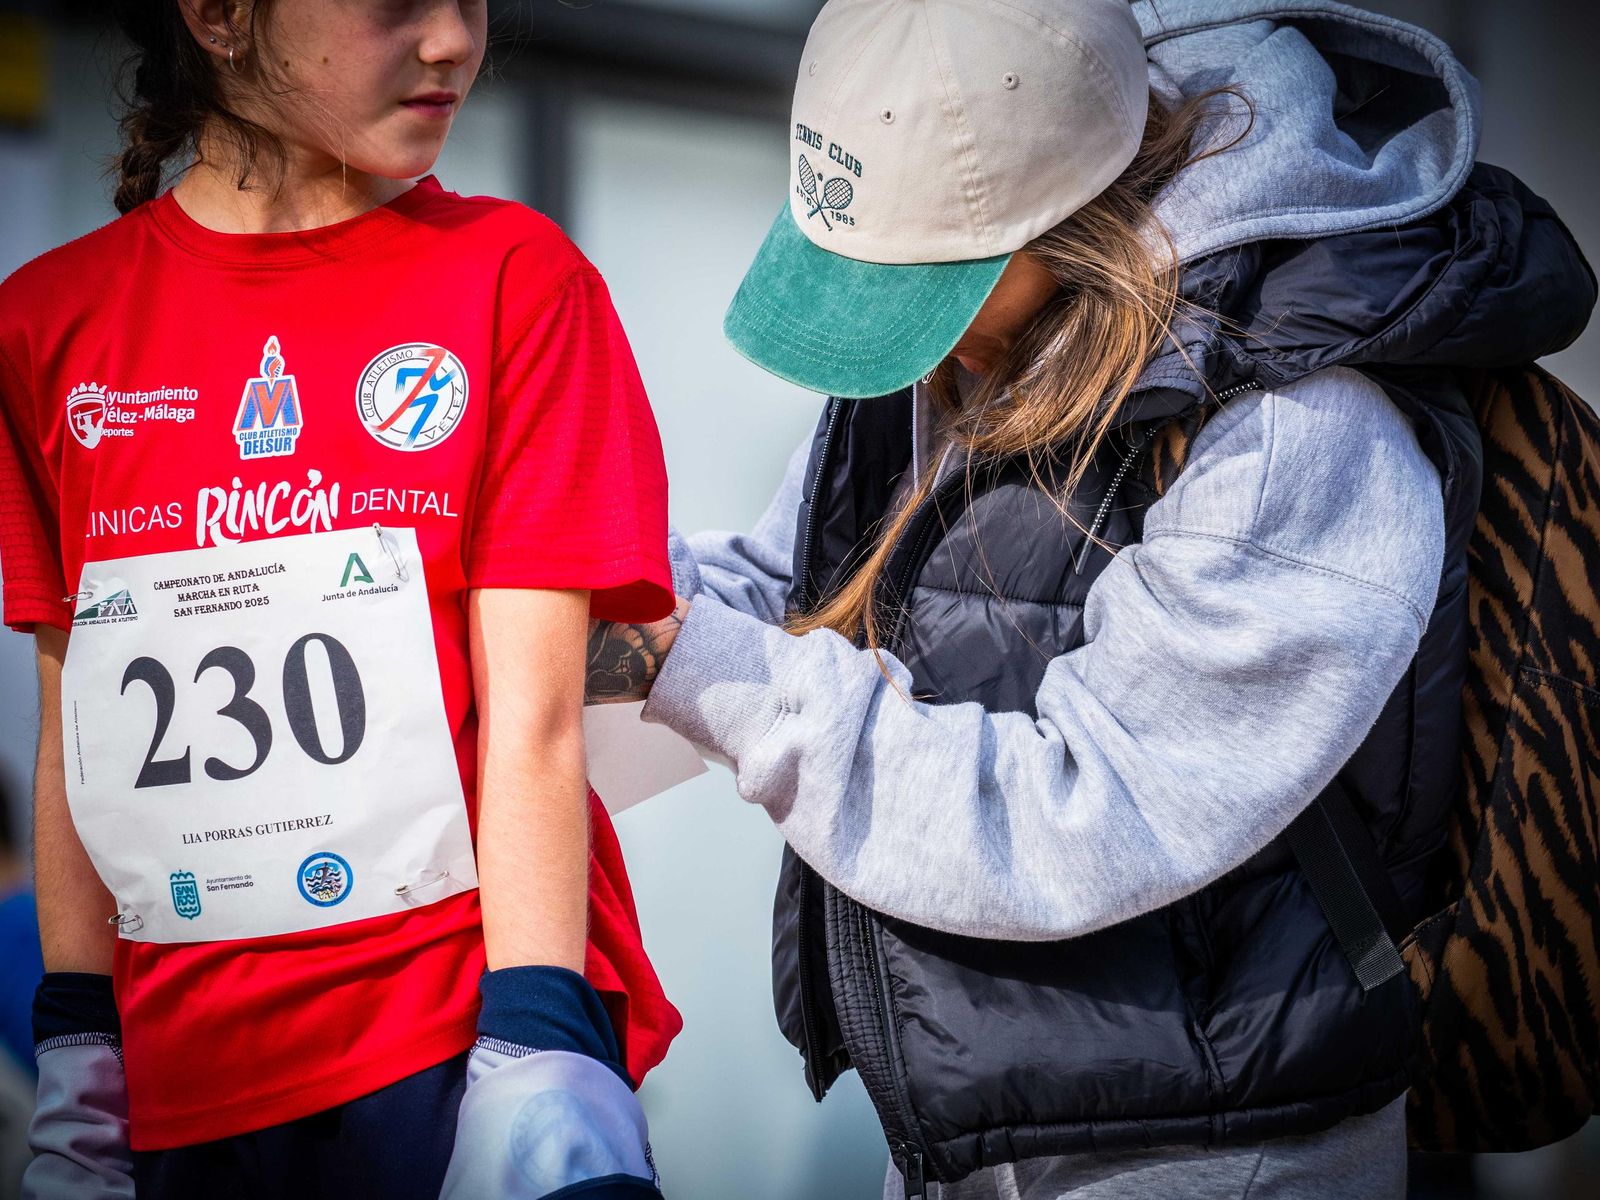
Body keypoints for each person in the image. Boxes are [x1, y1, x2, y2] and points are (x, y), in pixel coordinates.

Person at [585, 0, 1595, 1197]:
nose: (910, 340)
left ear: (1071, 220)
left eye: (928, 290)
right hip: (982, 1111)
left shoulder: (1298, 427)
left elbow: (1078, 818)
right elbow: (794, 591)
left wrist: (701, 667)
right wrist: (575, 585)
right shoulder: (968, 328)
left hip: (1216, 1145)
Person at [0, 2, 680, 1197]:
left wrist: (531, 1044)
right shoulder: (49, 324)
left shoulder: (514, 280)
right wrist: (78, 1047)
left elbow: (535, 722)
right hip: (176, 1072)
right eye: (395, 0)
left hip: (445, 1040)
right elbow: (77, 736)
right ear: (220, 15)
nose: (452, 39)